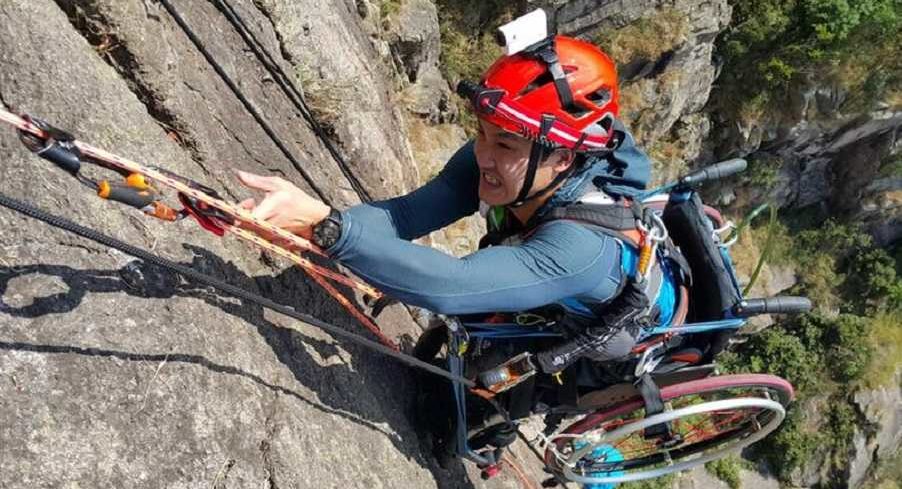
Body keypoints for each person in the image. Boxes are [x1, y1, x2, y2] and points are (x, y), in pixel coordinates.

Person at [235, 35, 675, 378]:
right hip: (525, 262)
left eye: (504, 144)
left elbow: (453, 285)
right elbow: (406, 215)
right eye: (482, 132)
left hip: (580, 323)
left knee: (474, 395)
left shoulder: (580, 249)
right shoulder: (515, 158)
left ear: (563, 158)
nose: (483, 155)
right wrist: (317, 226)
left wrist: (328, 228)